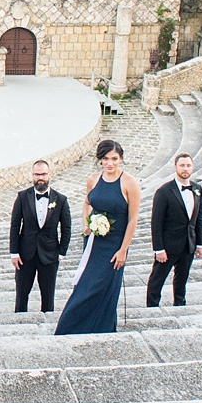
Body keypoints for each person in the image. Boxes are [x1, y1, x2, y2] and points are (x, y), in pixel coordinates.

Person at [55, 139, 141, 335]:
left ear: (121, 159)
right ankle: (71, 328)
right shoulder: (93, 179)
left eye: (114, 159)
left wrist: (123, 250)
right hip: (93, 243)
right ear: (99, 160)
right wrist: (87, 224)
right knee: (85, 286)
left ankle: (102, 327)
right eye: (105, 159)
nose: (110, 163)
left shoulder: (129, 183)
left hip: (115, 246)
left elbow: (133, 219)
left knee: (104, 288)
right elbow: (87, 203)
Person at [8, 159, 72, 314]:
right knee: (21, 296)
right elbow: (15, 226)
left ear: (49, 174)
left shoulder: (61, 200)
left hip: (49, 255)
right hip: (25, 255)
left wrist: (61, 253)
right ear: (32, 175)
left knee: (48, 297)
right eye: (37, 174)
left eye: (43, 174)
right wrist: (14, 253)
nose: (40, 178)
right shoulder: (22, 197)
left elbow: (66, 228)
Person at [146, 153, 202, 307]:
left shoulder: (197, 189)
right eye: (182, 165)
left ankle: (180, 305)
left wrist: (200, 244)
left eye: (188, 165)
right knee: (157, 280)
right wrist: (159, 248)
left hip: (188, 245)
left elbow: (199, 218)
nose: (185, 169)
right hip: (168, 246)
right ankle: (152, 307)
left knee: (182, 280)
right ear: (175, 167)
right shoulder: (164, 191)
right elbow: (156, 222)